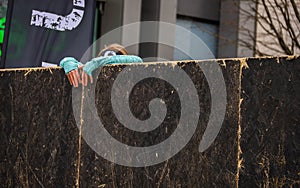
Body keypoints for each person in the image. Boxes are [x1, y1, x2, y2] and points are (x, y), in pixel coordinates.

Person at [60, 44, 142, 87]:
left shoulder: (130, 78)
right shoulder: (91, 78)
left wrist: (105, 61)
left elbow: (138, 61)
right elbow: (78, 66)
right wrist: (68, 62)